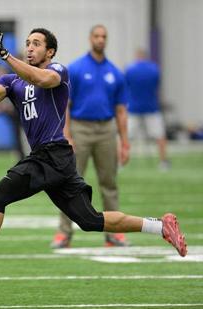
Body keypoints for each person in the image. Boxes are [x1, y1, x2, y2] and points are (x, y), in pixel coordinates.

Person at [0, 23, 187, 285]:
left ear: (50, 52)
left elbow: (40, 79)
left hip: (52, 154)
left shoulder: (58, 70)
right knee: (89, 220)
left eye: (36, 44)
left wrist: (5, 56)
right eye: (27, 43)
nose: (30, 47)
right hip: (51, 158)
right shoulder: (11, 80)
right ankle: (160, 226)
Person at [51, 25, 130, 249]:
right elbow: (64, 104)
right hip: (80, 128)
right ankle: (64, 233)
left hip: (106, 129)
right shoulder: (75, 69)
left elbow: (121, 110)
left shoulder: (115, 73)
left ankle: (115, 234)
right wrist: (66, 135)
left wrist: (124, 142)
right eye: (97, 36)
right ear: (90, 39)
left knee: (109, 183)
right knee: (70, 183)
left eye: (104, 36)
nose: (100, 40)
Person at [125, 48, 170, 170]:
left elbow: (126, 86)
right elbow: (157, 86)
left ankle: (121, 162)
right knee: (160, 135)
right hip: (151, 107)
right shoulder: (154, 69)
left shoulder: (130, 69)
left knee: (126, 136)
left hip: (133, 107)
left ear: (137, 56)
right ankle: (164, 162)